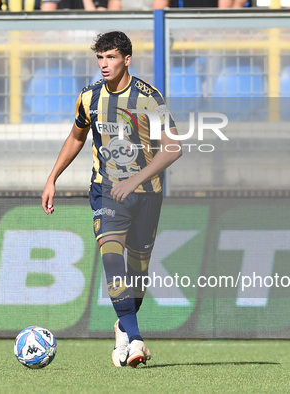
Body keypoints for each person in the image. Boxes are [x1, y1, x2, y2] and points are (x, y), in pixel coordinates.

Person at [41, 31, 182, 368]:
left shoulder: (149, 98)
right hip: (106, 191)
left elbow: (174, 147)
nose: (104, 64)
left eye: (111, 57)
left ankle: (124, 324)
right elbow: (76, 137)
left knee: (138, 274)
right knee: (111, 259)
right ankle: (136, 340)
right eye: (100, 58)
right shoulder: (89, 98)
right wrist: (52, 177)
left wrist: (135, 179)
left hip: (146, 194)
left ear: (127, 60)